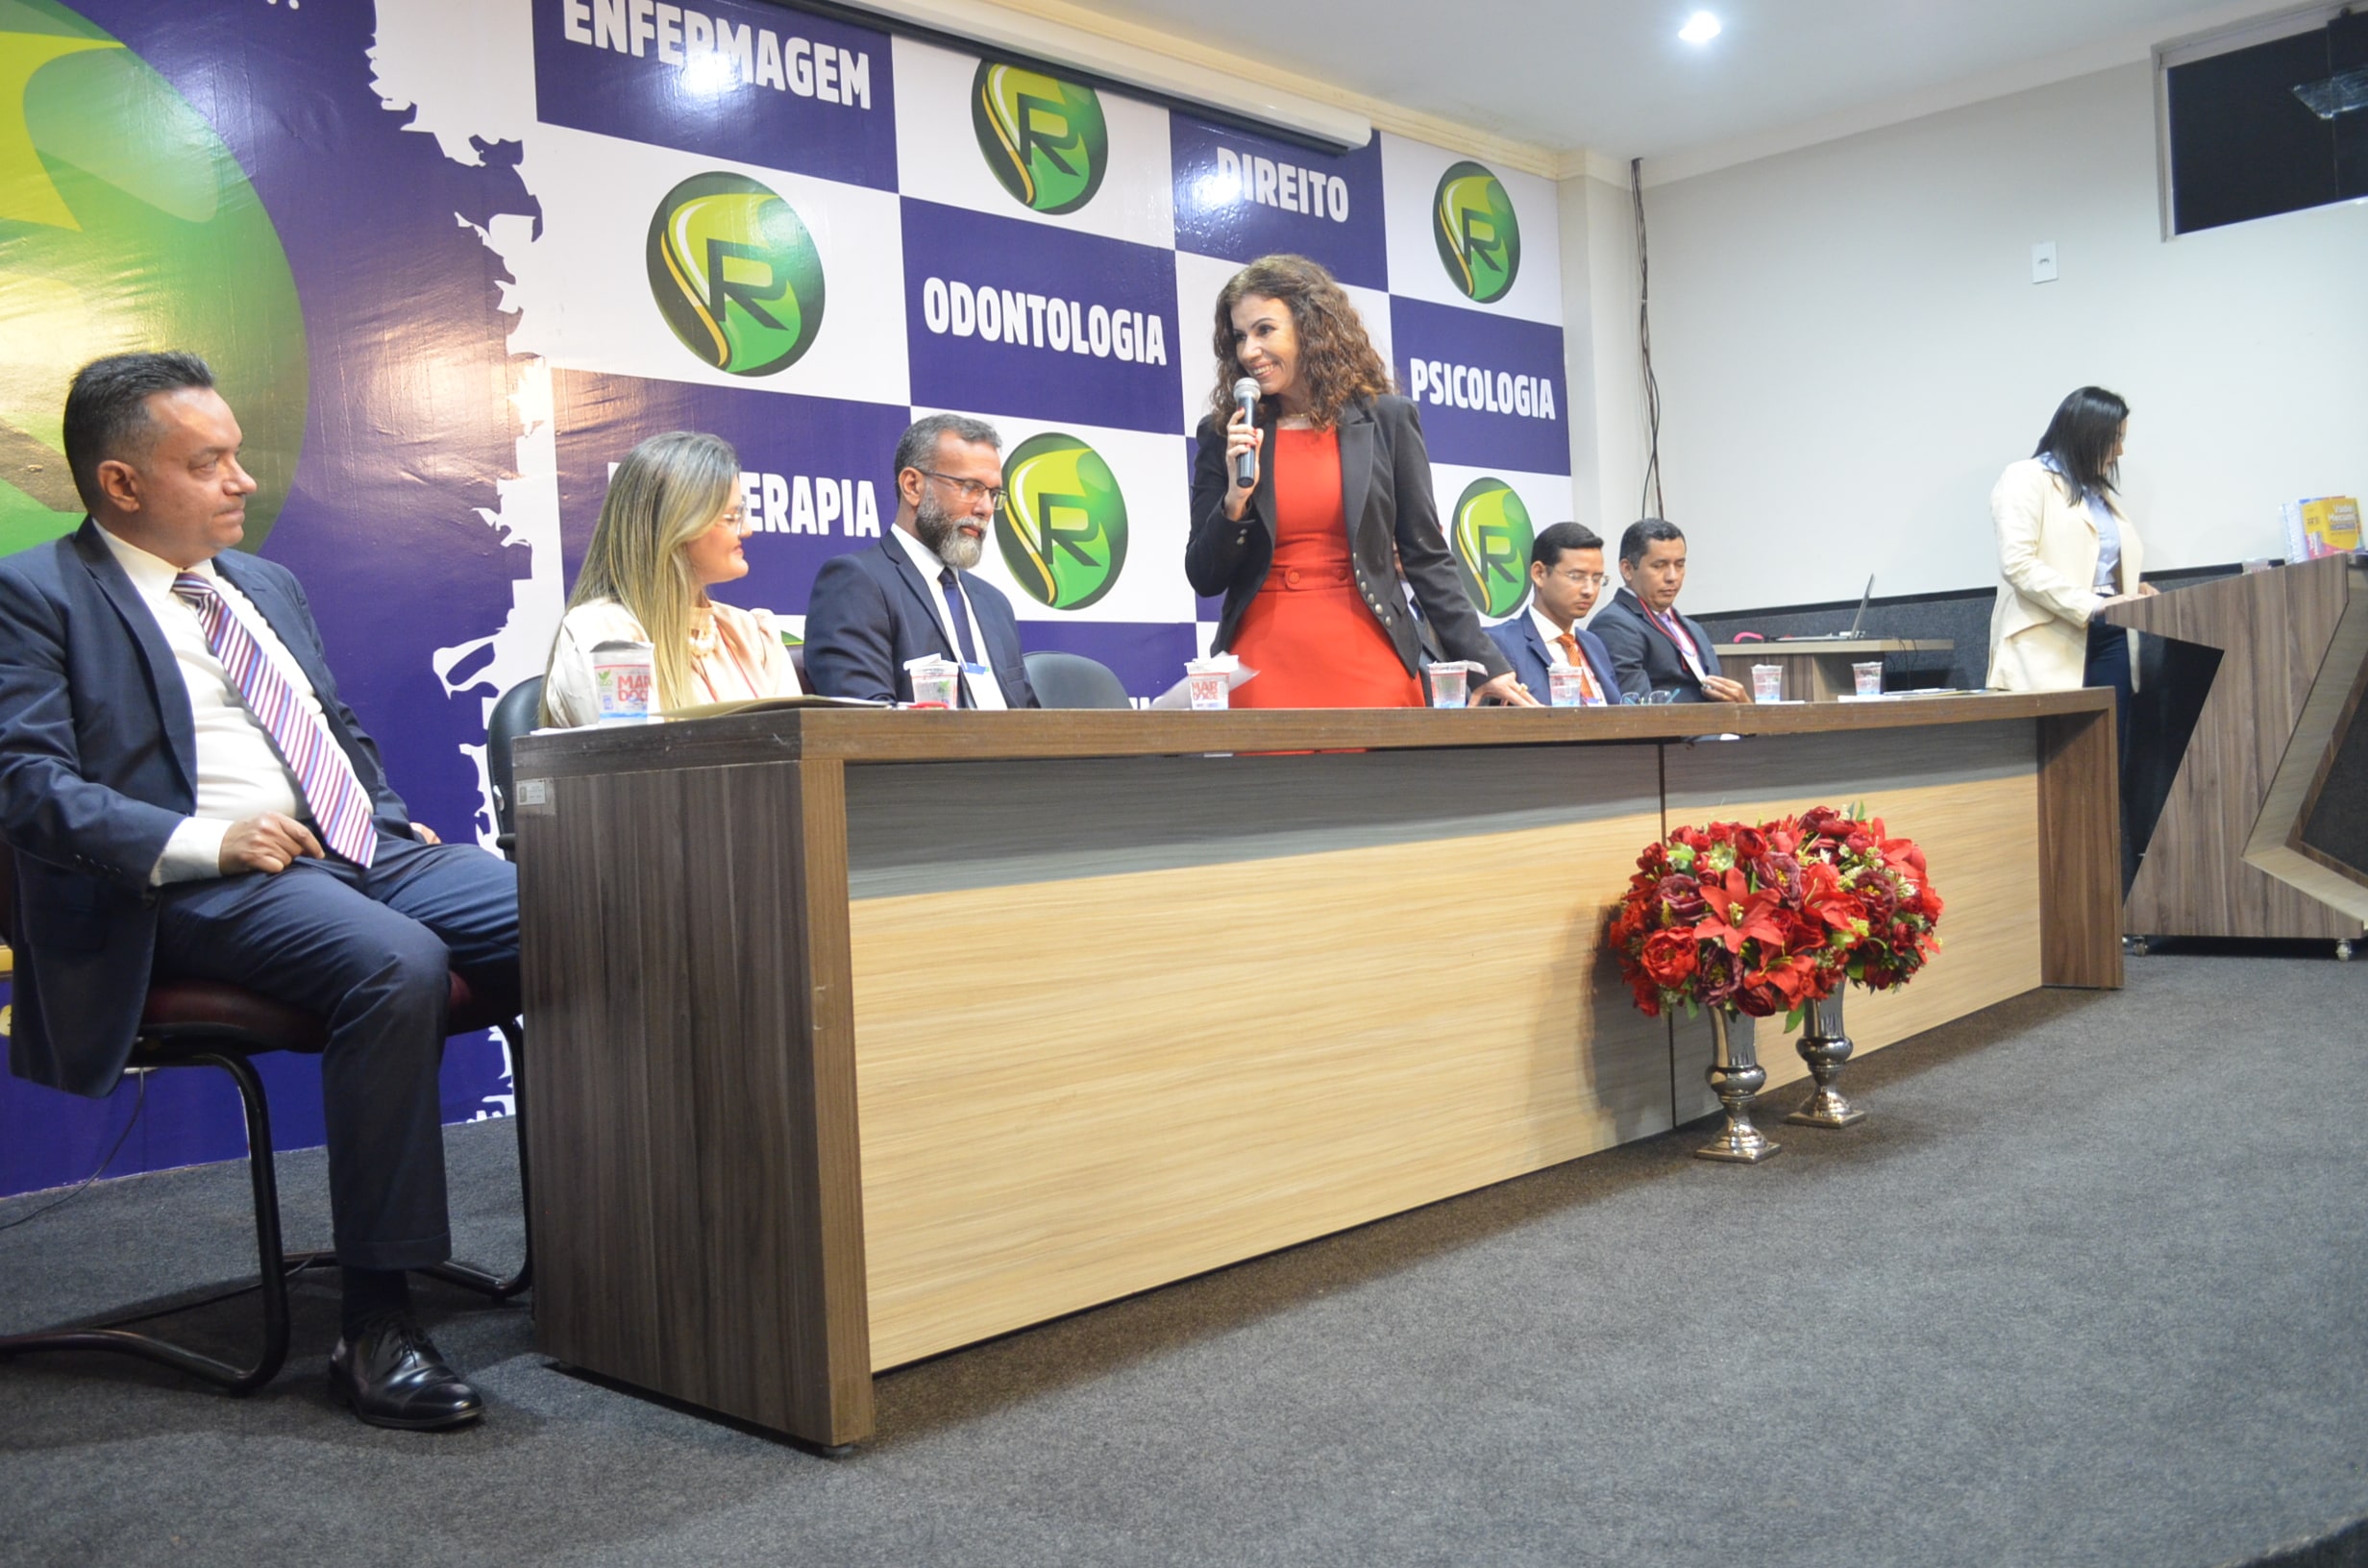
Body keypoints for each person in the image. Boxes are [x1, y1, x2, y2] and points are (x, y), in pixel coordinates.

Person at [0, 353, 519, 1431]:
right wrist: (207, 840)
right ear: (121, 484)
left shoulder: (265, 584)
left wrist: (381, 812)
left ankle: (631, 1241)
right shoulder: (35, 594)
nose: (242, 480)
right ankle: (375, 1324)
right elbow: (26, 786)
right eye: (209, 462)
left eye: (237, 454)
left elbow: (331, 723)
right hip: (190, 884)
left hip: (356, 848)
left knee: (587, 914)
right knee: (396, 963)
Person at [1186, 254, 1531, 708]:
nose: (1249, 351)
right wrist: (1235, 500)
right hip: (1263, 660)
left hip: (1368, 648)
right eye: (1239, 337)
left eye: (1264, 330)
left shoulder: (1387, 420)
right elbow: (1205, 576)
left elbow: (1427, 556)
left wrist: (1488, 663)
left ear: (1311, 327)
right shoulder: (1224, 434)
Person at [541, 430, 797, 726]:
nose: (747, 529)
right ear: (673, 526)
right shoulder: (605, 636)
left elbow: (805, 745)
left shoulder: (753, 635)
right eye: (730, 517)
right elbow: (639, 751)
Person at [802, 413, 1037, 708]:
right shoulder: (857, 583)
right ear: (913, 486)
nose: (986, 508)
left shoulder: (995, 604)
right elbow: (865, 721)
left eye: (993, 494)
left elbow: (1031, 718)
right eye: (971, 488)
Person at [1986, 386, 2152, 747]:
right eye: (2115, 439)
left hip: (2112, 634)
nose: (2120, 451)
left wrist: (2129, 589)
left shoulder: (2095, 491)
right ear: (2087, 435)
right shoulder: (2025, 477)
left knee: (2108, 754)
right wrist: (2094, 603)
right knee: (2059, 758)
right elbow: (2017, 564)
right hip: (2050, 638)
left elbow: (2093, 560)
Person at [1590, 519, 1747, 703]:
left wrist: (1743, 707)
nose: (1672, 577)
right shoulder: (1614, 624)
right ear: (1627, 569)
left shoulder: (1692, 627)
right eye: (1659, 566)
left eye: (1679, 565)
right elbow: (1637, 708)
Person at [1483, 522, 1625, 705]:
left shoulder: (1593, 644)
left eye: (1597, 579)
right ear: (1539, 574)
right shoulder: (1500, 643)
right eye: (1576, 577)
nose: (1589, 590)